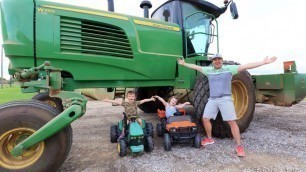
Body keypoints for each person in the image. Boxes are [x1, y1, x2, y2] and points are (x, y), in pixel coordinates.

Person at [177, 53, 277, 157]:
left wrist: (263, 62)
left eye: (219, 59)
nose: (217, 61)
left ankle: (239, 146)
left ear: (222, 60)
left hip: (225, 99)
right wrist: (184, 64)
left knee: (232, 122)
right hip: (212, 99)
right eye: (215, 59)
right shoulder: (209, 71)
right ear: (212, 62)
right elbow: (196, 67)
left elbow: (246, 66)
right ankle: (210, 139)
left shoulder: (229, 69)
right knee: (205, 119)